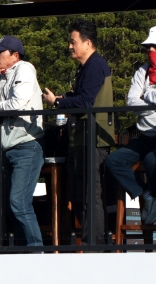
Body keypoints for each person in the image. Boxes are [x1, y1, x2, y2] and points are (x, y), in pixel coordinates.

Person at [43, 19, 113, 242]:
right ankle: (92, 241)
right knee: (79, 193)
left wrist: (58, 102)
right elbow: (82, 97)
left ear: (87, 43)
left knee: (90, 193)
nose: (70, 46)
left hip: (92, 139)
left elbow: (86, 101)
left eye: (73, 42)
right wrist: (65, 99)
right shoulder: (87, 68)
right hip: (81, 138)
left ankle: (95, 245)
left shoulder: (96, 65)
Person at [104, 25, 156, 227]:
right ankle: (150, 195)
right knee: (113, 161)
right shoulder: (142, 71)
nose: (150, 50)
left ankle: (154, 196)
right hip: (145, 136)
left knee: (152, 160)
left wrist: (146, 96)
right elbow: (131, 102)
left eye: (155, 46)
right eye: (148, 47)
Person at [0, 36, 45, 250]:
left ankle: (36, 250)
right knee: (8, 205)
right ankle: (22, 251)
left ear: (15, 55)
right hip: (4, 149)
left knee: (18, 202)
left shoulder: (25, 68)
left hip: (27, 145)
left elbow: (19, 102)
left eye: (0, 52)